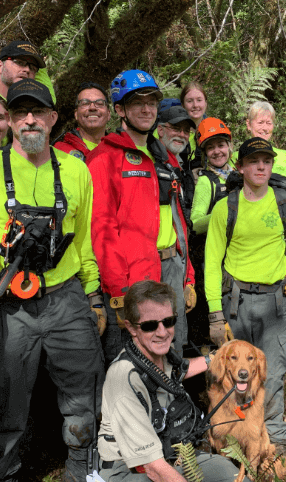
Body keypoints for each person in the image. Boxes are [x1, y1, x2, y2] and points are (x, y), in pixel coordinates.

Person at [0, 79, 105, 482]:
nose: (29, 120)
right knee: (5, 404)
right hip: (7, 305)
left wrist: (93, 296)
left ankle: (81, 470)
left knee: (83, 393)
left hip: (66, 298)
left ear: (53, 118)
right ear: (8, 119)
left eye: (38, 112)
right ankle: (1, 475)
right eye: (19, 112)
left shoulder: (76, 170)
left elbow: (85, 237)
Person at [204, 137, 286, 454]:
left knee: (273, 372)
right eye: (253, 161)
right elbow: (211, 263)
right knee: (232, 374)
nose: (261, 166)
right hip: (235, 304)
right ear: (241, 167)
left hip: (275, 302)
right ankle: (233, 441)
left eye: (266, 160)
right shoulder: (226, 208)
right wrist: (214, 315)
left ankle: (276, 440)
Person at [87, 70, 195, 363]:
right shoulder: (105, 158)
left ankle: (173, 409)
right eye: (137, 103)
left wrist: (188, 276)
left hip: (172, 267)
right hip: (132, 276)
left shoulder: (165, 156)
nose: (147, 109)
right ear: (120, 110)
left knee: (173, 352)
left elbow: (177, 219)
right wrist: (119, 292)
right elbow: (102, 229)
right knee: (133, 359)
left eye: (152, 102)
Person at [97, 280, 248, 482]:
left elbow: (176, 371)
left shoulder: (158, 356)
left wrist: (218, 358)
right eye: (150, 326)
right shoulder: (123, 379)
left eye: (168, 321)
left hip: (171, 453)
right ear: (132, 328)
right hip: (131, 469)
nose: (162, 332)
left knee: (231, 475)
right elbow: (154, 468)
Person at [230, 102, 286, 196]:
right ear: (249, 124)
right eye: (260, 122)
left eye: (269, 123)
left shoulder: (285, 156)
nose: (265, 128)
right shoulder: (235, 157)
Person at [189, 117, 234, 234]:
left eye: (221, 145)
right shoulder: (205, 181)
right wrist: (227, 214)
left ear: (229, 147)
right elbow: (195, 224)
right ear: (205, 154)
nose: (217, 151)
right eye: (210, 148)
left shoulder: (238, 175)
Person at [156, 104, 197, 220]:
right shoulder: (153, 164)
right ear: (160, 130)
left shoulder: (179, 165)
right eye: (176, 129)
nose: (182, 135)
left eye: (186, 131)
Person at [54, 82, 111, 161]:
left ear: (108, 114)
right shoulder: (60, 151)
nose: (92, 107)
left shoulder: (120, 150)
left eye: (99, 103)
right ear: (76, 114)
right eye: (85, 103)